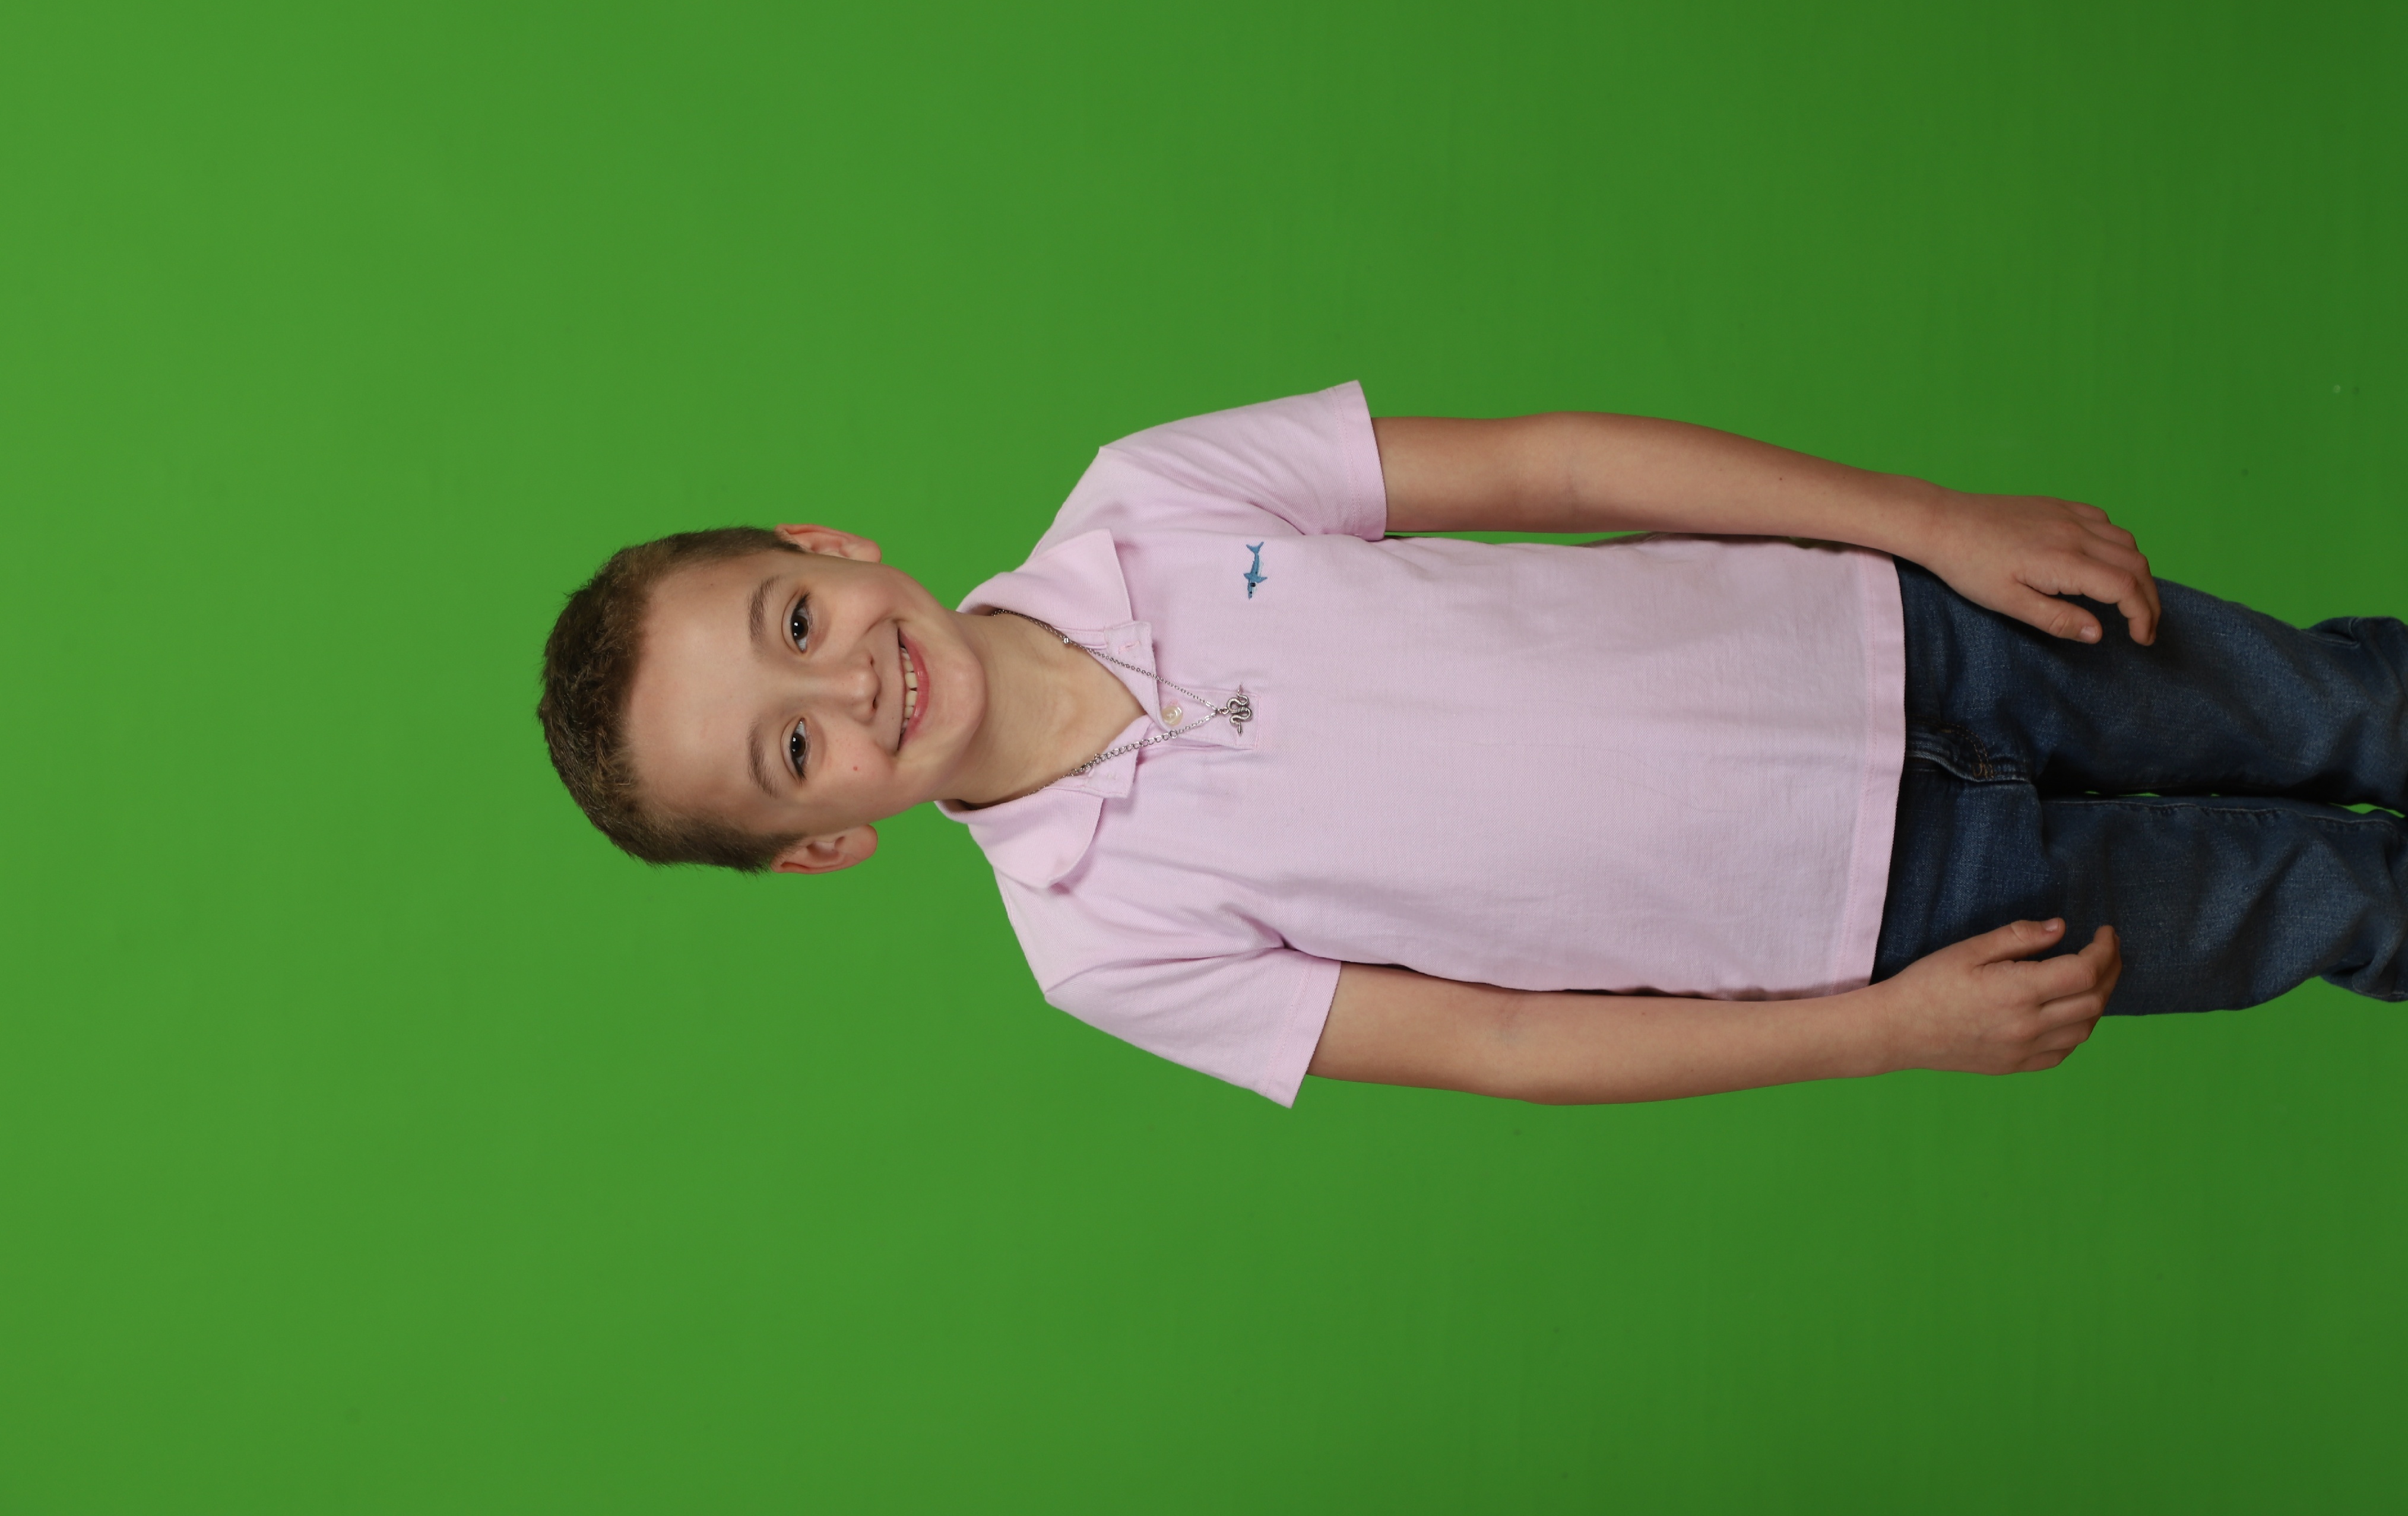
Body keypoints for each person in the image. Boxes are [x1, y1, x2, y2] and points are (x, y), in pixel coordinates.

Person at [536, 384, 2408, 1106]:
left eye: (795, 628)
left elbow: (1555, 466)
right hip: (1886, 922)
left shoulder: (1149, 495)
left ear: (825, 546)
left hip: (1902, 634)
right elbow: (1499, 1043)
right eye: (794, 755)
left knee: (2341, 705)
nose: (849, 690)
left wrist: (1929, 523)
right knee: (2330, 903)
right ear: (824, 846)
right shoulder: (1099, 946)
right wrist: (1881, 1033)